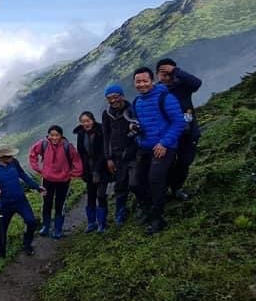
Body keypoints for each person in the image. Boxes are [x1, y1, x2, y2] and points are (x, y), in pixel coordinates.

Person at [130, 67, 186, 235]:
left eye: (145, 81)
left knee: (155, 180)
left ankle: (157, 219)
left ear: (152, 81)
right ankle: (148, 208)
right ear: (134, 83)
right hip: (145, 147)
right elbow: (139, 123)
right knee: (136, 182)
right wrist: (134, 128)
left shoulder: (165, 97)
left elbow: (178, 122)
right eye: (138, 82)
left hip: (164, 148)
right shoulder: (137, 102)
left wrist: (164, 143)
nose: (142, 84)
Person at [0, 145, 43, 257]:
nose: (12, 158)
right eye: (9, 156)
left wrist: (37, 187)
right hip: (4, 204)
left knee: (31, 221)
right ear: (2, 157)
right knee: (2, 228)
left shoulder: (14, 163)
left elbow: (23, 175)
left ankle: (27, 244)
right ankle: (1, 252)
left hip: (20, 200)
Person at [156, 58, 203, 200]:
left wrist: (175, 71)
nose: (165, 75)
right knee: (167, 163)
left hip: (188, 132)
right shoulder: (156, 91)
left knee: (184, 161)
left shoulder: (182, 85)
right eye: (161, 72)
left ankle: (177, 188)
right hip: (167, 135)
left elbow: (197, 83)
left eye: (168, 71)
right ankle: (163, 190)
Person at [28, 126, 82, 239]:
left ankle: (57, 229)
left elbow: (76, 160)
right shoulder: (43, 144)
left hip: (63, 180)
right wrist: (38, 168)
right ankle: (46, 227)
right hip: (47, 180)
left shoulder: (68, 146)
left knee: (60, 204)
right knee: (47, 203)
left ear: (61, 135)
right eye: (51, 135)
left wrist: (72, 173)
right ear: (48, 135)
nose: (54, 137)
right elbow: (32, 154)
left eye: (57, 135)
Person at [101, 84, 138, 224]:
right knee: (120, 184)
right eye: (109, 98)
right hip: (117, 156)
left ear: (122, 95)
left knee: (135, 182)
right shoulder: (107, 114)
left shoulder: (132, 109)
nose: (113, 101)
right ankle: (120, 211)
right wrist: (108, 158)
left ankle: (143, 206)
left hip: (133, 153)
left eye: (115, 97)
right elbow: (106, 136)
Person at [74, 111, 109, 233]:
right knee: (91, 195)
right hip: (88, 168)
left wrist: (97, 170)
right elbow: (81, 153)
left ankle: (102, 223)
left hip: (102, 167)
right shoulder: (81, 134)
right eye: (83, 122)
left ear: (93, 120)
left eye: (88, 121)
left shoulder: (101, 131)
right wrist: (83, 170)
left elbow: (103, 152)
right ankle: (91, 223)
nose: (86, 124)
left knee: (101, 195)